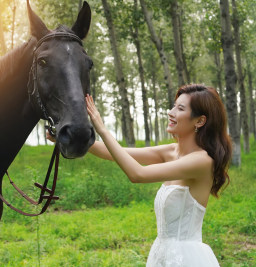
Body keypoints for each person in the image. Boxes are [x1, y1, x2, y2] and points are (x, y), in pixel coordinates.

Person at [48, 84, 232, 266]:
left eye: (180, 108)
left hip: (187, 259)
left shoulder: (201, 161)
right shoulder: (171, 152)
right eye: (174, 105)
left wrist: (102, 129)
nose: (171, 112)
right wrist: (66, 137)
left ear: (199, 121)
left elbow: (138, 174)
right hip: (161, 254)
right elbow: (112, 152)